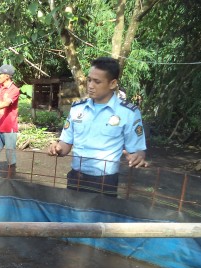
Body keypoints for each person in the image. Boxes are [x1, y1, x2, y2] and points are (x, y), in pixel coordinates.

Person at [48, 57, 147, 196]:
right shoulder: (78, 109)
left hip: (105, 182)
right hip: (75, 178)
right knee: (71, 216)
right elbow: (65, 146)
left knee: (100, 218)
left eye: (97, 81)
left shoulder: (128, 113)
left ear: (113, 83)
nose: (90, 85)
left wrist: (138, 156)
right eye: (89, 80)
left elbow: (138, 150)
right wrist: (56, 148)